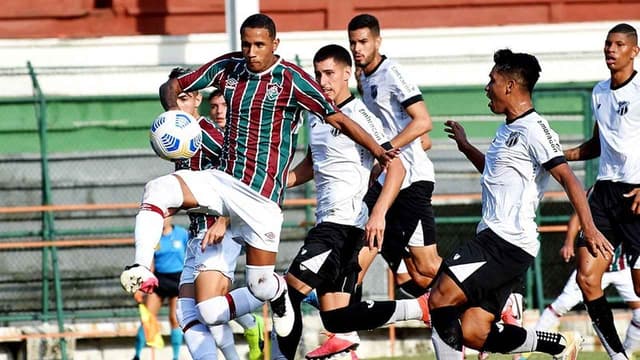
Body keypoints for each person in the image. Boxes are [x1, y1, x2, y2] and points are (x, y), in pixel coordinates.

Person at [120, 13, 397, 359]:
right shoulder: (228, 67)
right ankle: (142, 268)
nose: (251, 52)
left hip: (262, 199)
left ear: (275, 45)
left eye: (259, 45)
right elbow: (174, 86)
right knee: (156, 190)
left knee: (259, 286)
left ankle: (279, 292)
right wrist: (175, 119)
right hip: (223, 181)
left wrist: (378, 151)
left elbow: (337, 118)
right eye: (246, 44)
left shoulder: (292, 80)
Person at [434, 48, 611, 360]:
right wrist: (465, 147)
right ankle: (556, 344)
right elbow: (494, 173)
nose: (486, 88)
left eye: (492, 80)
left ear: (510, 86)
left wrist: (590, 228)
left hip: (505, 242)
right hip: (496, 238)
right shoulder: (507, 129)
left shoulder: (535, 128)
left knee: (439, 299)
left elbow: (569, 179)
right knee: (475, 332)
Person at [276, 44, 429, 360]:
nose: (323, 81)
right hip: (330, 222)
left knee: (287, 293)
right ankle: (417, 306)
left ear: (347, 74)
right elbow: (313, 162)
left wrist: (379, 214)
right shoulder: (318, 116)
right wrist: (281, 182)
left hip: (343, 224)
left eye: (330, 73)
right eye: (318, 75)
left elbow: (396, 166)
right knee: (336, 319)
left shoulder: (360, 115)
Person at [347, 13, 440, 297]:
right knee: (370, 236)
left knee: (425, 269)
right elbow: (420, 139)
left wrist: (384, 152)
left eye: (363, 42)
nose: (357, 49)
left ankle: (490, 297)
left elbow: (423, 122)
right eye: (352, 43)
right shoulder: (362, 78)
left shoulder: (392, 73)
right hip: (390, 177)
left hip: (411, 181)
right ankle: (342, 310)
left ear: (378, 41)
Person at [562, 23, 640, 360]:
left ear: (634, 51)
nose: (611, 49)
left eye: (619, 44)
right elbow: (597, 144)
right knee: (587, 277)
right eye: (608, 44)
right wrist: (558, 156)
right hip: (605, 193)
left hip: (636, 194)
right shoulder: (598, 92)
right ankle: (618, 357)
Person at [536, 211, 640, 355]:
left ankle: (625, 355)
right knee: (561, 305)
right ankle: (522, 354)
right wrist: (568, 243)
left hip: (622, 268)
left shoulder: (632, 199)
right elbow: (578, 215)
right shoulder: (600, 193)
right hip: (592, 267)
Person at [132, 216, 188, 360]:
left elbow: (191, 255)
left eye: (166, 216)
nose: (163, 219)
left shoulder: (182, 234)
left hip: (177, 279)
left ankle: (175, 357)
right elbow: (149, 263)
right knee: (148, 318)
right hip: (159, 280)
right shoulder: (153, 237)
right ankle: (137, 355)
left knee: (174, 319)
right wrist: (141, 287)